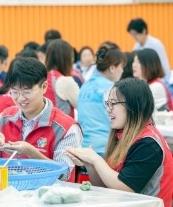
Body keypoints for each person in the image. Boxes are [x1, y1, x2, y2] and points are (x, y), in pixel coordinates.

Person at [66, 78, 173, 207]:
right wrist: (91, 165)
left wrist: (96, 159)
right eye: (107, 103)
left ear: (134, 105)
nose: (108, 109)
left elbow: (125, 189)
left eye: (114, 103)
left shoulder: (148, 144)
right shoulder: (122, 134)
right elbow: (104, 186)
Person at [0, 57, 82, 181]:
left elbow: (64, 176)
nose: (21, 99)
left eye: (27, 92)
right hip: (8, 195)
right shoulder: (5, 117)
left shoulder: (66, 127)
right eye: (15, 92)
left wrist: (31, 152)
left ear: (44, 87)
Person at [77, 44, 126, 156]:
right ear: (112, 68)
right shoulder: (112, 89)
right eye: (121, 67)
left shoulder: (84, 86)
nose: (122, 71)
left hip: (83, 147)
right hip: (105, 149)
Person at [127, 18, 170, 83]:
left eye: (135, 34)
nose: (134, 37)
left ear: (144, 31)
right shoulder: (136, 47)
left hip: (158, 80)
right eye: (132, 34)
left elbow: (164, 66)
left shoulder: (156, 44)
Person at [44, 39, 79, 118]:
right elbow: (82, 106)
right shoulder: (64, 81)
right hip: (63, 127)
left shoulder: (42, 77)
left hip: (45, 127)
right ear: (67, 58)